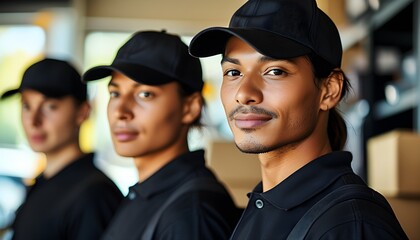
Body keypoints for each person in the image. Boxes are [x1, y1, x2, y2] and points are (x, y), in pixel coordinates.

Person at [188, 0, 409, 239]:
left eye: (275, 71)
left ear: (329, 90)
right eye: (234, 72)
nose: (244, 93)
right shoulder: (264, 203)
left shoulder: (350, 225)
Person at [82, 30, 241, 240]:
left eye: (145, 94)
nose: (121, 112)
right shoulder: (145, 193)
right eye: (115, 93)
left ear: (190, 107)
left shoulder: (191, 213)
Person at [0, 58, 124, 240]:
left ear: (82, 112)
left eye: (50, 106)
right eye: (27, 106)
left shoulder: (93, 195)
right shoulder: (44, 182)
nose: (34, 121)